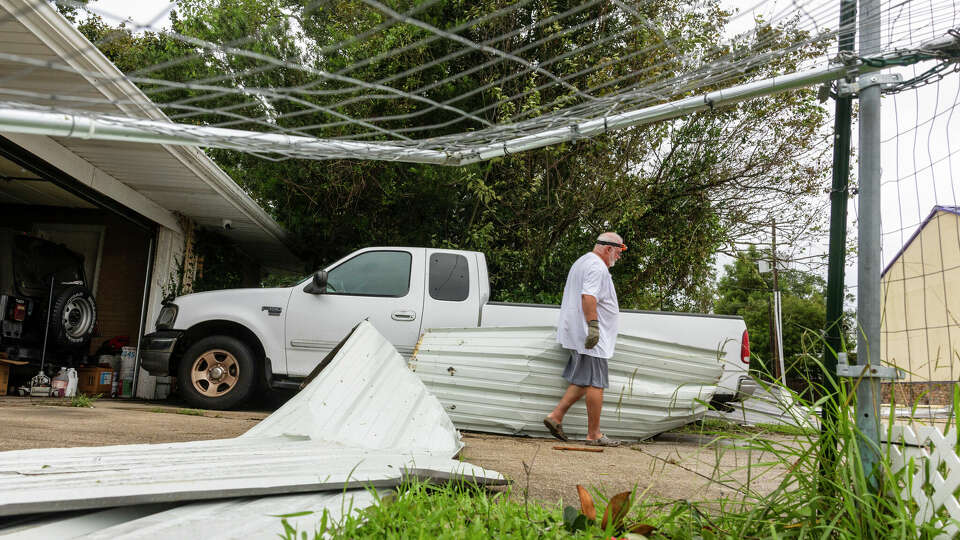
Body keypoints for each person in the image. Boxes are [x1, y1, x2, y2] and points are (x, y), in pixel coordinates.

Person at [543, 232, 625, 447]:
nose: (619, 256)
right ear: (608, 248)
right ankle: (594, 435)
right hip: (590, 335)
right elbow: (588, 297)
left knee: (583, 379)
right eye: (619, 251)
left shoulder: (583, 261)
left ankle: (556, 417)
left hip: (579, 331)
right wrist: (594, 327)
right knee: (596, 384)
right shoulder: (597, 267)